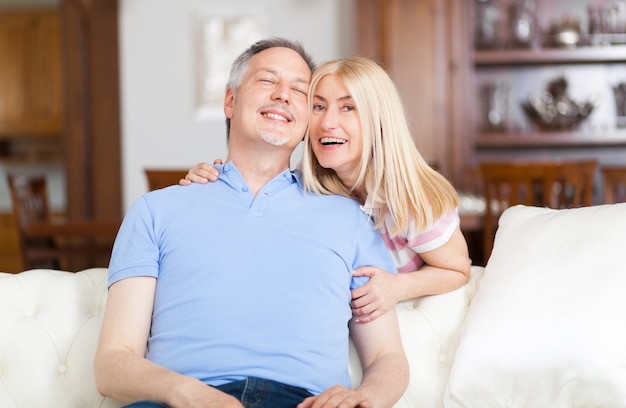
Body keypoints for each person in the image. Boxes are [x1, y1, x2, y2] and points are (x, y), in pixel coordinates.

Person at [94, 38, 408, 408]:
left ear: (308, 120)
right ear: (230, 101)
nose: (283, 95)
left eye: (299, 90)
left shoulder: (351, 219)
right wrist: (190, 394)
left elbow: (388, 358)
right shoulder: (155, 210)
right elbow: (112, 363)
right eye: (267, 81)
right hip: (181, 400)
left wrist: (362, 399)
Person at [183, 57, 471, 324]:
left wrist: (399, 286)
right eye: (318, 107)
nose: (327, 123)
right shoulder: (306, 188)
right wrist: (210, 179)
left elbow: (457, 269)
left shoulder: (411, 199)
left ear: (379, 121)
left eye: (348, 107)